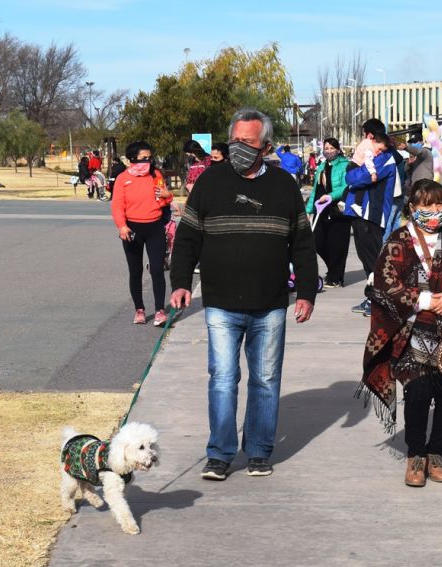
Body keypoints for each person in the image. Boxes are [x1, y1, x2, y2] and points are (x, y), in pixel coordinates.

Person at [169, 108, 318, 480]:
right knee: (222, 377)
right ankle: (220, 453)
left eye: (247, 143)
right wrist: (181, 283)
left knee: (265, 380)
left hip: (269, 304)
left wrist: (305, 292)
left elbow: (301, 242)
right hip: (220, 301)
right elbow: (187, 237)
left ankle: (259, 451)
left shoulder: (283, 186)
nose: (238, 148)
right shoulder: (209, 183)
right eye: (234, 140)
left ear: (265, 146)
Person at [359, 178, 442, 487]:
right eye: (427, 205)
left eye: (439, 203)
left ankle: (436, 455)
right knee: (418, 392)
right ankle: (415, 457)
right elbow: (383, 284)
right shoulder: (399, 241)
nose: (434, 211)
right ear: (412, 208)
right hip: (411, 330)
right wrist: (422, 300)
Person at [111, 141, 174, 327]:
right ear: (132, 158)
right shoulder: (123, 178)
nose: (147, 160)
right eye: (143, 157)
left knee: (157, 269)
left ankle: (160, 311)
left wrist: (167, 195)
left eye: (149, 157)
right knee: (135, 271)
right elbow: (117, 205)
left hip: (154, 227)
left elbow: (166, 198)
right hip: (132, 229)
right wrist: (122, 226)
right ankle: (139, 309)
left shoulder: (156, 174)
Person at [344, 119, 397, 317]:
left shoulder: (385, 157)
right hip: (360, 214)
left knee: (374, 260)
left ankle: (381, 300)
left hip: (372, 215)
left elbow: (359, 177)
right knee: (366, 259)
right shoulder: (374, 153)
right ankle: (372, 297)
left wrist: (350, 174)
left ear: (371, 136)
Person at [305, 138, 351, 288]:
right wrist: (308, 210)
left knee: (337, 245)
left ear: (338, 150)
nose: (329, 151)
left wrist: (331, 195)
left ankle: (336, 277)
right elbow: (315, 191)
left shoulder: (345, 165)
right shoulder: (322, 167)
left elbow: (346, 187)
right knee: (317, 242)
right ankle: (333, 270)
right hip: (321, 210)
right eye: (326, 148)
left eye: (332, 148)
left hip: (337, 211)